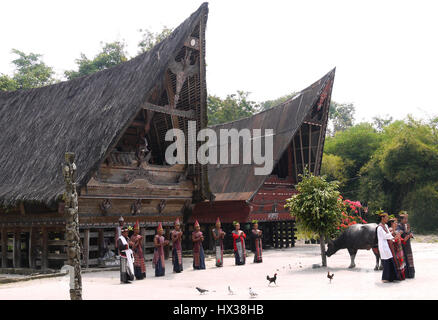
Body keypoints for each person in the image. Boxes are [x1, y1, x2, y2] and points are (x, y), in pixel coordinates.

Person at [377, 213, 398, 283]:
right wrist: (393, 232)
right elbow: (385, 236)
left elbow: (389, 234)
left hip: (387, 245)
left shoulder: (385, 225)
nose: (387, 219)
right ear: (382, 218)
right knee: (386, 262)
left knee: (390, 260)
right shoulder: (379, 227)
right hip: (383, 246)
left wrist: (393, 238)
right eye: (386, 218)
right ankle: (385, 278)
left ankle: (391, 277)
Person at [397, 212, 415, 278]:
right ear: (401, 220)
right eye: (405, 219)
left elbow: (410, 232)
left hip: (408, 245)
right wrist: (407, 233)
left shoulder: (406, 225)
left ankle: (411, 274)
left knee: (409, 259)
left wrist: (410, 234)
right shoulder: (398, 226)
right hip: (402, 245)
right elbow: (400, 234)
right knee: (404, 259)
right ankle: (405, 274)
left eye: (406, 219)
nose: (406, 220)